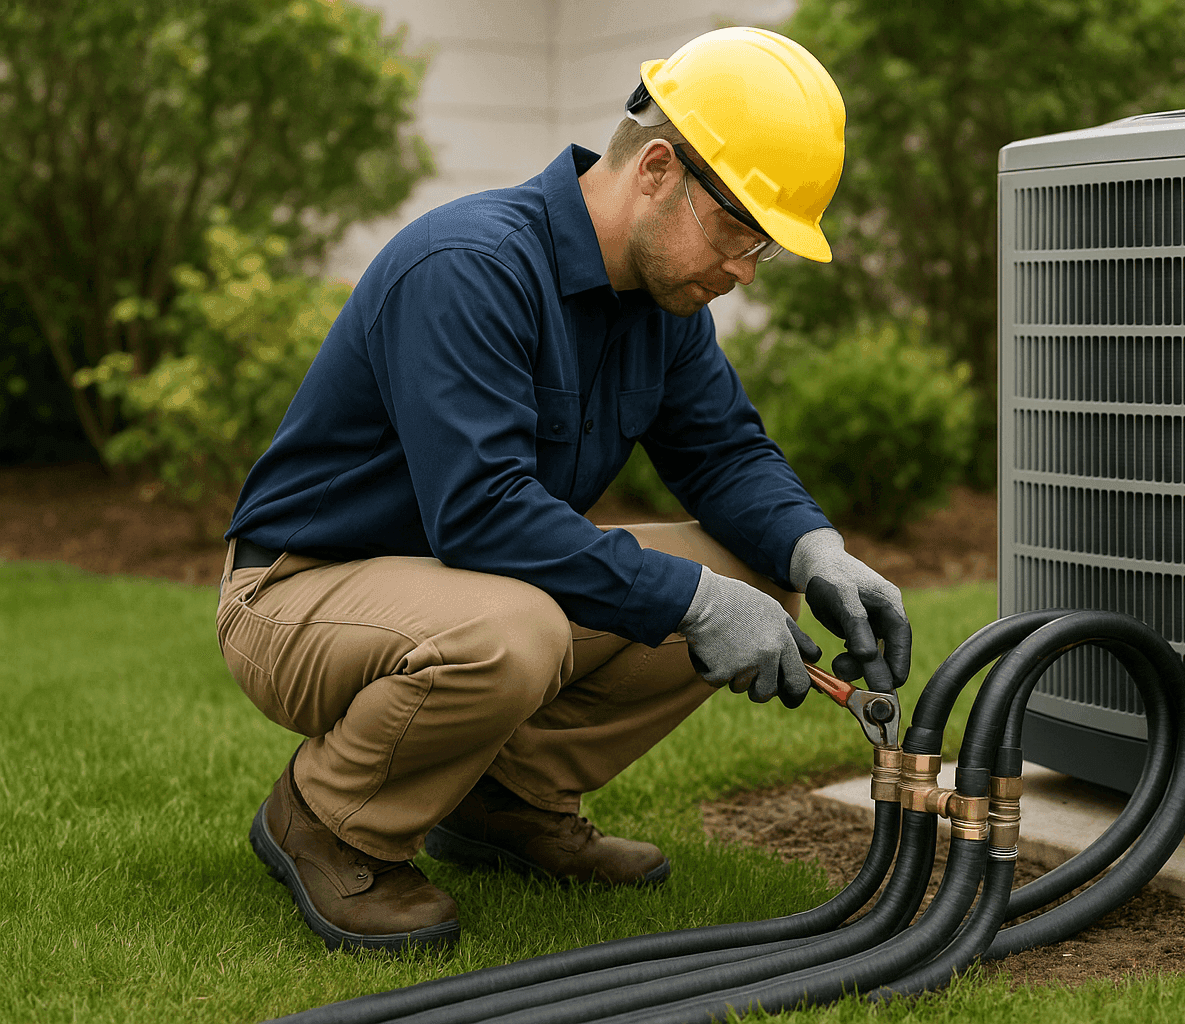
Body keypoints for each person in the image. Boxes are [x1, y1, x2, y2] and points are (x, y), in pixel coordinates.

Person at [216, 26, 911, 954]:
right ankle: (329, 819)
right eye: (741, 231)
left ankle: (509, 802)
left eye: (764, 250)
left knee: (755, 575)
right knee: (519, 631)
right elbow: (480, 512)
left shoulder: (662, 305)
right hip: (298, 591)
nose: (744, 272)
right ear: (658, 168)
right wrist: (695, 602)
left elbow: (726, 455)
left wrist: (815, 552)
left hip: (460, 584)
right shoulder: (470, 266)